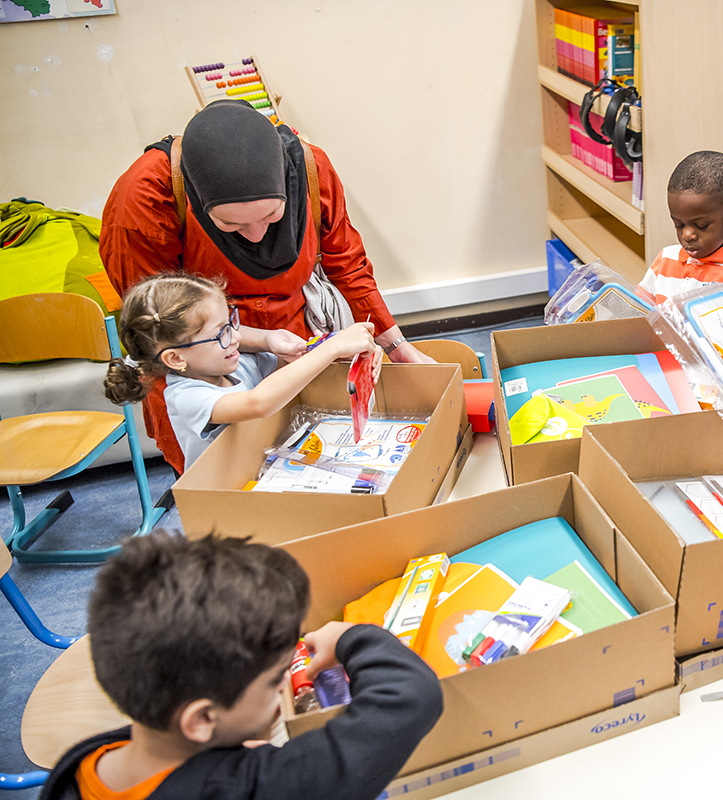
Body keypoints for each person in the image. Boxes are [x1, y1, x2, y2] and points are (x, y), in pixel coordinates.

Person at [100, 99, 433, 474]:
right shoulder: (145, 197)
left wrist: (397, 345)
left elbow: (348, 263)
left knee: (309, 459)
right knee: (231, 477)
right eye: (232, 225)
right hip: (203, 358)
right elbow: (159, 328)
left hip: (284, 346)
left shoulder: (310, 169)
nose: (257, 234)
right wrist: (314, 347)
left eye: (272, 216)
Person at [39, 533, 444, 800]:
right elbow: (411, 696)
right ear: (201, 719)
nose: (287, 681)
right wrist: (350, 638)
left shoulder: (83, 763)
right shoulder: (249, 788)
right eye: (273, 682)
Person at [104, 272, 382, 472]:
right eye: (220, 333)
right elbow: (258, 403)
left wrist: (334, 353)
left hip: (258, 475)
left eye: (231, 323)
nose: (235, 337)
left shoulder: (236, 363)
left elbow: (293, 371)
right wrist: (329, 350)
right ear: (176, 358)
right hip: (222, 503)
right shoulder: (186, 396)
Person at [636, 151, 723, 305]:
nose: (687, 235)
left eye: (701, 226)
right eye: (679, 225)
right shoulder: (665, 258)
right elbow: (639, 310)